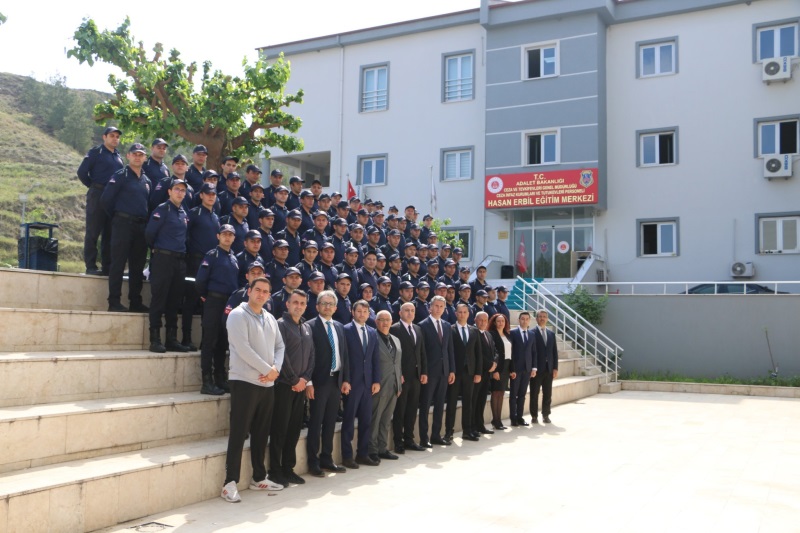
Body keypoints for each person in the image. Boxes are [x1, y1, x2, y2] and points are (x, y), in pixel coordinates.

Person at [220, 277, 285, 503]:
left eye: (266, 291)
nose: (261, 294)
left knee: (261, 432)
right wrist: (268, 369)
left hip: (267, 383)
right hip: (244, 381)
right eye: (258, 289)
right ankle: (229, 483)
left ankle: (259, 477)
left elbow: (280, 346)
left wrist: (275, 369)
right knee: (239, 432)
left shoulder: (270, 318)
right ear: (249, 291)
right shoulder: (238, 315)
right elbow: (243, 348)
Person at [270, 289, 315, 486]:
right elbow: (281, 355)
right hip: (284, 386)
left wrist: (305, 378)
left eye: (302, 303)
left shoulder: (306, 327)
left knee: (294, 429)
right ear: (287, 304)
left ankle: (288, 468)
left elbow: (312, 355)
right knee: (280, 428)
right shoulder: (280, 325)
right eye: (295, 302)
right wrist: (294, 380)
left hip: (300, 386)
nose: (299, 306)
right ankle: (275, 470)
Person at [101, 143, 151, 312]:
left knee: (137, 266)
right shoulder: (120, 175)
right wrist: (118, 217)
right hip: (122, 224)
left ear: (145, 158)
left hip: (141, 227)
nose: (137, 157)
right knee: (118, 263)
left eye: (141, 154)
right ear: (128, 156)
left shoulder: (147, 180)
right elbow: (105, 200)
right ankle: (114, 301)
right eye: (134, 154)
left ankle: (135, 302)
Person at [305, 291, 350, 477]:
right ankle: (313, 461)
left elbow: (344, 355)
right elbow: (307, 356)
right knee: (316, 422)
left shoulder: (339, 327)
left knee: (331, 422)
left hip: (336, 381)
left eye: (331, 304)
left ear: (336, 308)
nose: (327, 307)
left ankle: (327, 458)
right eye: (324, 303)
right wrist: (308, 382)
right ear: (317, 306)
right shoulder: (309, 326)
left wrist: (345, 379)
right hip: (318, 382)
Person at [144, 178, 191, 353]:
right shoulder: (162, 209)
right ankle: (155, 338)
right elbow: (150, 234)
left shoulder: (184, 213)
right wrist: (159, 250)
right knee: (159, 298)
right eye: (177, 189)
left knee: (174, 300)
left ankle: (171, 338)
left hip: (179, 261)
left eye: (183, 190)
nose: (180, 192)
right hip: (163, 259)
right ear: (169, 192)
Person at [195, 224, 240, 395]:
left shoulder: (234, 258)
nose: (227, 237)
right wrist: (206, 296)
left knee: (223, 341)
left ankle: (220, 378)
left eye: (230, 234)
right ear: (218, 236)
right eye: (224, 234)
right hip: (214, 301)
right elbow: (200, 281)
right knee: (210, 341)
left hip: (228, 304)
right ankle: (207, 381)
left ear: (234, 238)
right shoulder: (212, 255)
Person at [77, 126, 124, 276]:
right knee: (93, 231)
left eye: (117, 136)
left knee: (109, 234)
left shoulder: (118, 157)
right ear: (104, 137)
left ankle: (106, 267)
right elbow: (82, 172)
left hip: (113, 198)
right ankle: (90, 266)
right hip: (97, 194)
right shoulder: (96, 152)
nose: (115, 139)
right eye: (112, 135)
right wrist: (94, 187)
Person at [340, 300, 381, 468]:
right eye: (359, 311)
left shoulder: (372, 332)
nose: (362, 314)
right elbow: (344, 357)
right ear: (353, 312)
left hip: (368, 383)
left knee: (366, 420)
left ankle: (362, 454)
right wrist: (346, 379)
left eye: (365, 311)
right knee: (349, 420)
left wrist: (376, 380)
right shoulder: (345, 330)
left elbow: (375, 358)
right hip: (352, 383)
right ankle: (347, 456)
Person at [183, 183, 220, 349]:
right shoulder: (194, 213)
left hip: (211, 264)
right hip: (195, 262)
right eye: (208, 193)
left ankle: (205, 342)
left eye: (213, 194)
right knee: (190, 300)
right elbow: (184, 234)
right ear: (201, 195)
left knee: (208, 303)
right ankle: (186, 338)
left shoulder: (216, 217)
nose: (211, 196)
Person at [417, 295, 455, 447]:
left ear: (445, 309)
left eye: (441, 306)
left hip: (444, 372)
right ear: (430, 307)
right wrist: (424, 372)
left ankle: (436, 435)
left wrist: (451, 370)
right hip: (429, 373)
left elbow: (450, 350)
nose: (438, 309)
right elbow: (422, 352)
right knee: (425, 405)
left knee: (440, 405)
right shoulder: (422, 325)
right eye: (436, 306)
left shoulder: (447, 325)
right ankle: (424, 437)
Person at [390, 302, 427, 453]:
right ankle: (398, 442)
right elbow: (392, 354)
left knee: (412, 409)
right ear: (400, 313)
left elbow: (422, 352)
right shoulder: (394, 329)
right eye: (407, 310)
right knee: (400, 409)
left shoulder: (418, 329)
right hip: (402, 377)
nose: (410, 313)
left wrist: (424, 372)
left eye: (412, 310)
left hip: (416, 376)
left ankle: (409, 439)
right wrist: (398, 374)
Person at [446, 303, 482, 443]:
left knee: (468, 402)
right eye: (459, 312)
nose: (462, 314)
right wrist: (450, 370)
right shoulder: (450, 329)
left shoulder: (474, 331)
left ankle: (467, 431)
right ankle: (449, 432)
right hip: (455, 372)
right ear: (456, 314)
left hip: (470, 372)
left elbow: (478, 353)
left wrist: (478, 372)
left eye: (464, 312)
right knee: (452, 402)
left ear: (468, 314)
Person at [369, 310, 402, 462]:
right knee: (375, 419)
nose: (385, 322)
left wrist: (399, 384)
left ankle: (382, 448)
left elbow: (397, 363)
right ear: (376, 322)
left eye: (387, 320)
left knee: (386, 419)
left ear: (391, 322)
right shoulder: (372, 338)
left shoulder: (396, 339)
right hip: (378, 385)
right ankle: (372, 450)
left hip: (393, 386)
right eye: (381, 320)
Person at [531, 309, 559, 424]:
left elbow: (554, 352)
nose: (542, 318)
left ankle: (546, 415)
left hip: (549, 369)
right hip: (536, 369)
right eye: (540, 316)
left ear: (547, 319)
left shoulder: (551, 334)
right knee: (534, 393)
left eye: (544, 316)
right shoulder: (532, 333)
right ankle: (534, 416)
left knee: (548, 393)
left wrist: (555, 368)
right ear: (536, 318)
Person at [509, 311, 536, 427]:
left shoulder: (532, 334)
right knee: (513, 394)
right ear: (518, 320)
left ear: (529, 321)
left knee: (522, 394)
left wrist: (534, 368)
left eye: (527, 319)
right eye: (522, 319)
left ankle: (520, 417)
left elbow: (534, 352)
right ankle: (513, 418)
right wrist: (511, 369)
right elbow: (510, 352)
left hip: (527, 369)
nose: (524, 321)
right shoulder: (513, 333)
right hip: (516, 369)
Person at [473, 312, 497, 435]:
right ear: (475, 320)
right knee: (474, 401)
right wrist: (489, 365)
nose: (483, 322)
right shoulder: (473, 333)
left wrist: (495, 363)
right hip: (477, 373)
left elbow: (495, 351)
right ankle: (472, 427)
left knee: (482, 400)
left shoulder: (488, 334)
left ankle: (480, 425)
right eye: (480, 320)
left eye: (485, 320)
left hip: (487, 373)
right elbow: (477, 354)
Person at [488, 313, 514, 430]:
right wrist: (495, 371)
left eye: (503, 321)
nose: (501, 323)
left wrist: (512, 369)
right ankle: (495, 420)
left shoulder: (507, 335)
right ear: (494, 322)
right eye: (498, 321)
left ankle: (498, 420)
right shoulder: (492, 334)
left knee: (501, 393)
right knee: (495, 393)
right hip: (498, 367)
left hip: (506, 367)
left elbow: (511, 354)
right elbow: (493, 353)